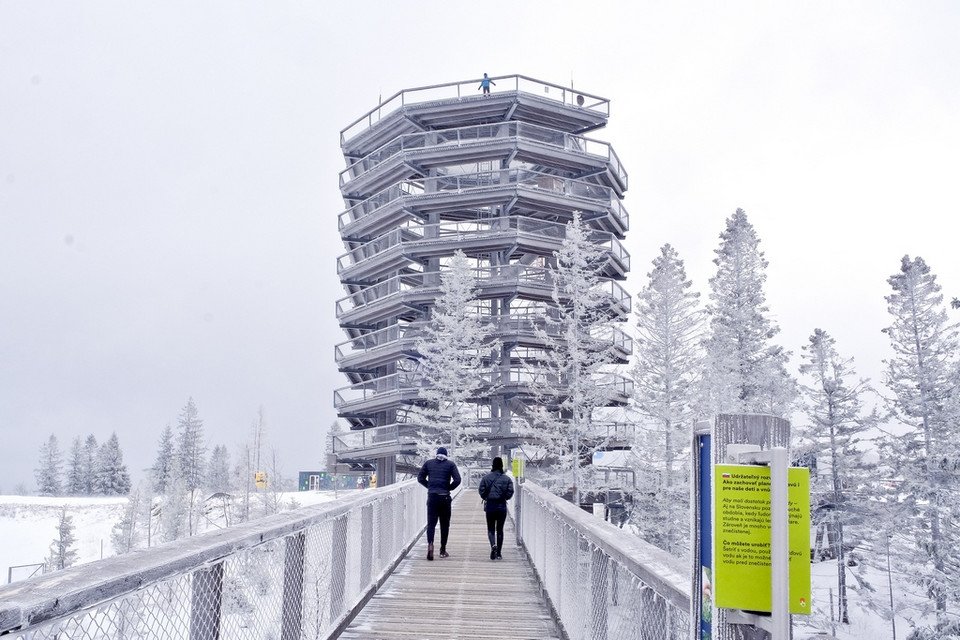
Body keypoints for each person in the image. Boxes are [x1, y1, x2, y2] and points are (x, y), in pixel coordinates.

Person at [417, 446, 461, 560]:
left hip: (432, 497)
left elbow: (420, 478)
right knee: (444, 524)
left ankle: (430, 545)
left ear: (437, 454)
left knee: (431, 523)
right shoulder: (450, 465)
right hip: (444, 498)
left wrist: (430, 486)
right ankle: (442, 550)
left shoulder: (429, 463)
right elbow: (458, 480)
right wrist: (449, 488)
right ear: (446, 455)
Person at [478, 457, 514, 560]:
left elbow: (481, 491)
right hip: (501, 506)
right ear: (501, 466)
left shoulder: (486, 478)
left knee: (490, 528)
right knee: (500, 529)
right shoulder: (507, 479)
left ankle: (493, 545)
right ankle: (499, 553)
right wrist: (504, 498)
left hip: (490, 506)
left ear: (493, 465)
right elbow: (510, 492)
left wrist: (486, 497)